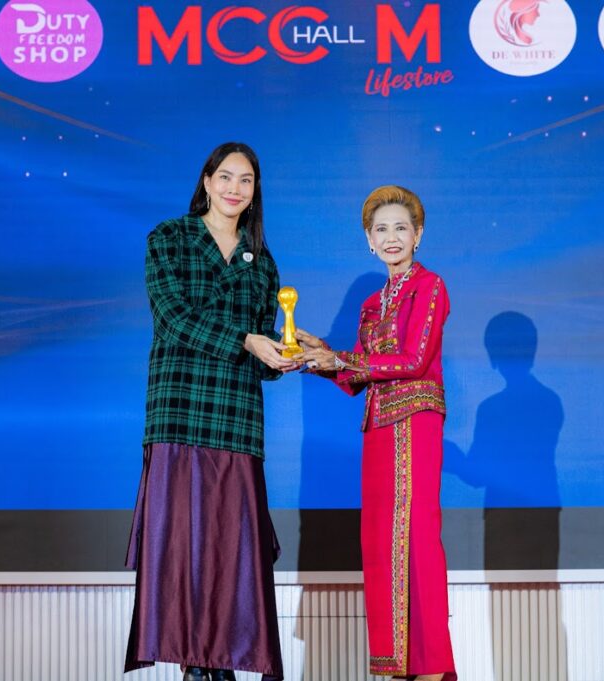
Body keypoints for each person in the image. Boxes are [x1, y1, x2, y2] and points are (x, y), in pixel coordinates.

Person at [125, 142, 294, 681]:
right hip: (179, 411)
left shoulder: (261, 261)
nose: (234, 189)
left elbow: (262, 353)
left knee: (231, 550)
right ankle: (193, 662)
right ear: (205, 180)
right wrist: (246, 340)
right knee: (182, 546)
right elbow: (173, 318)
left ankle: (223, 663)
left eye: (246, 180)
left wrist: (285, 354)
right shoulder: (169, 238)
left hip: (236, 418)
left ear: (255, 192)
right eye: (225, 176)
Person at [295, 185, 456, 681]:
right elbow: (356, 377)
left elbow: (413, 360)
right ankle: (397, 666)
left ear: (418, 234)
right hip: (378, 432)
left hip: (415, 426)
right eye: (381, 229)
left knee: (418, 541)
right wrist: (318, 356)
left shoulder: (430, 287)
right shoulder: (371, 303)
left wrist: (341, 359)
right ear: (368, 239)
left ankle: (430, 667)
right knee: (382, 543)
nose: (391, 237)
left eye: (401, 228)